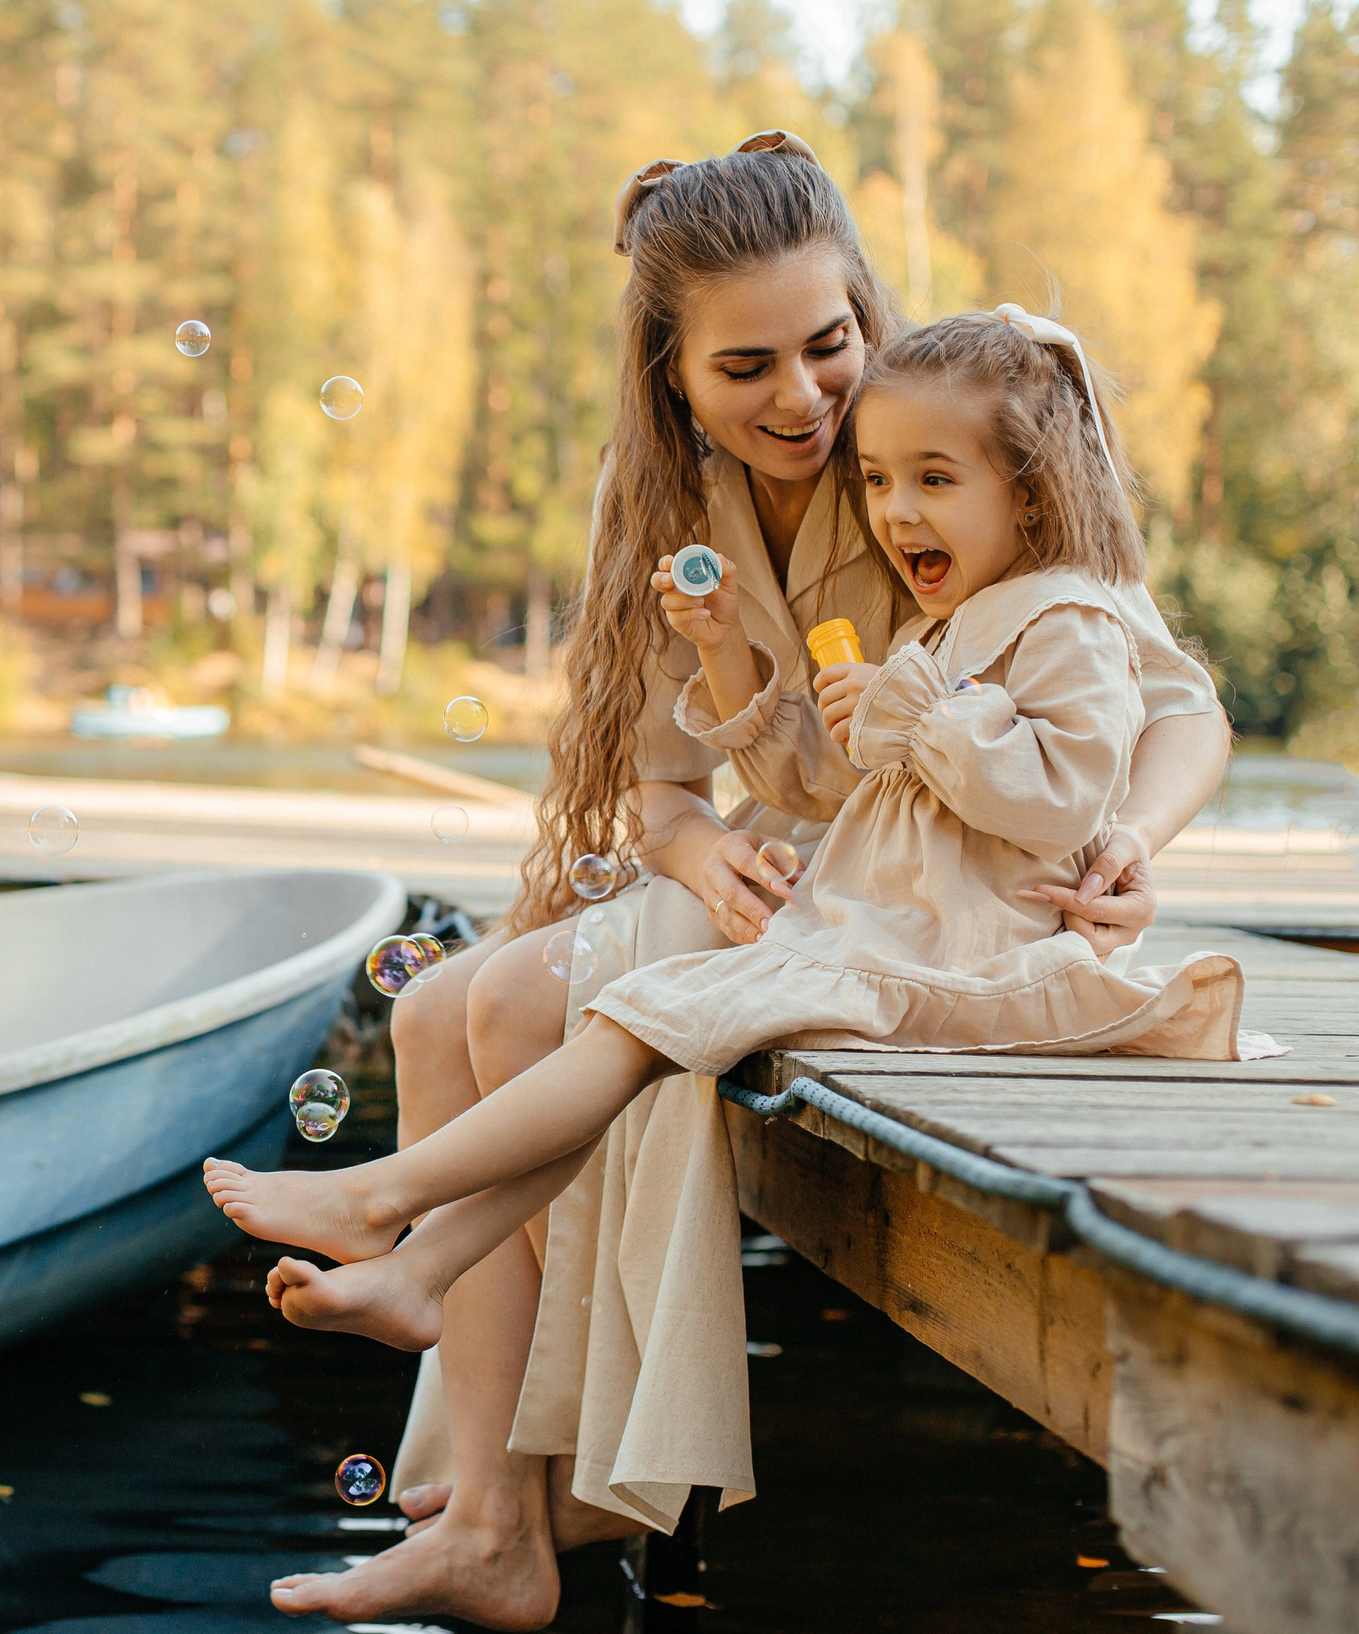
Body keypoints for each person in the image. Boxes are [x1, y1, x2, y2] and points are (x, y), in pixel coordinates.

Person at [248, 134, 1234, 1631]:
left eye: (830, 343)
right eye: (746, 366)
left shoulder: (944, 440)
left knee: (512, 992)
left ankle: (515, 1471)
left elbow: (1170, 700)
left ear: (868, 313)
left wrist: (1133, 839)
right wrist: (702, 848)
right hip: (769, 881)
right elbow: (663, 792)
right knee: (432, 1009)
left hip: (879, 895)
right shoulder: (659, 508)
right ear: (672, 377)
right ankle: (492, 1504)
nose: (804, 397)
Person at [211, 302, 1266, 1371]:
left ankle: (386, 1210)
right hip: (897, 938)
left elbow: (1064, 800)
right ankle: (412, 1264)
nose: (897, 512)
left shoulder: (1070, 618)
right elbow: (887, 793)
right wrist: (792, 685)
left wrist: (922, 721)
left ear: (1030, 489)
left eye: (934, 482)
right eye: (879, 482)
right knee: (632, 1018)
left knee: (634, 1022)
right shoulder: (958, 620)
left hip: (979, 964)